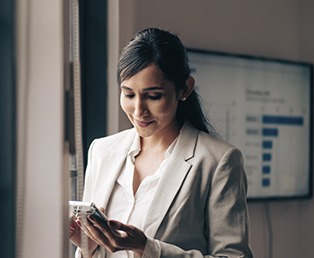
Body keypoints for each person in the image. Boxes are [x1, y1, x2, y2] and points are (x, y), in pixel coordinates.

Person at [69, 27, 253, 258]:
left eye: (153, 96)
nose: (138, 111)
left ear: (184, 89)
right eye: (128, 94)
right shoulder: (102, 151)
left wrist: (147, 248)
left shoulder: (218, 162)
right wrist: (88, 246)